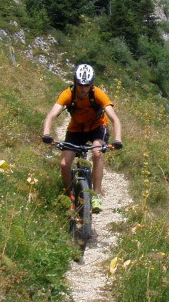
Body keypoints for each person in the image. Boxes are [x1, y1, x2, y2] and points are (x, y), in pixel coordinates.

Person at [41, 63, 123, 212]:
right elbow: (51, 115)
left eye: (87, 85)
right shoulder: (68, 94)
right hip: (76, 129)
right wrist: (46, 134)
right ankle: (69, 196)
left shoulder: (98, 94)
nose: (83, 88)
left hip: (97, 128)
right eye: (80, 85)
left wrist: (118, 139)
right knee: (65, 164)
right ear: (74, 81)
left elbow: (115, 119)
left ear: (92, 84)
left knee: (97, 153)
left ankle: (96, 195)